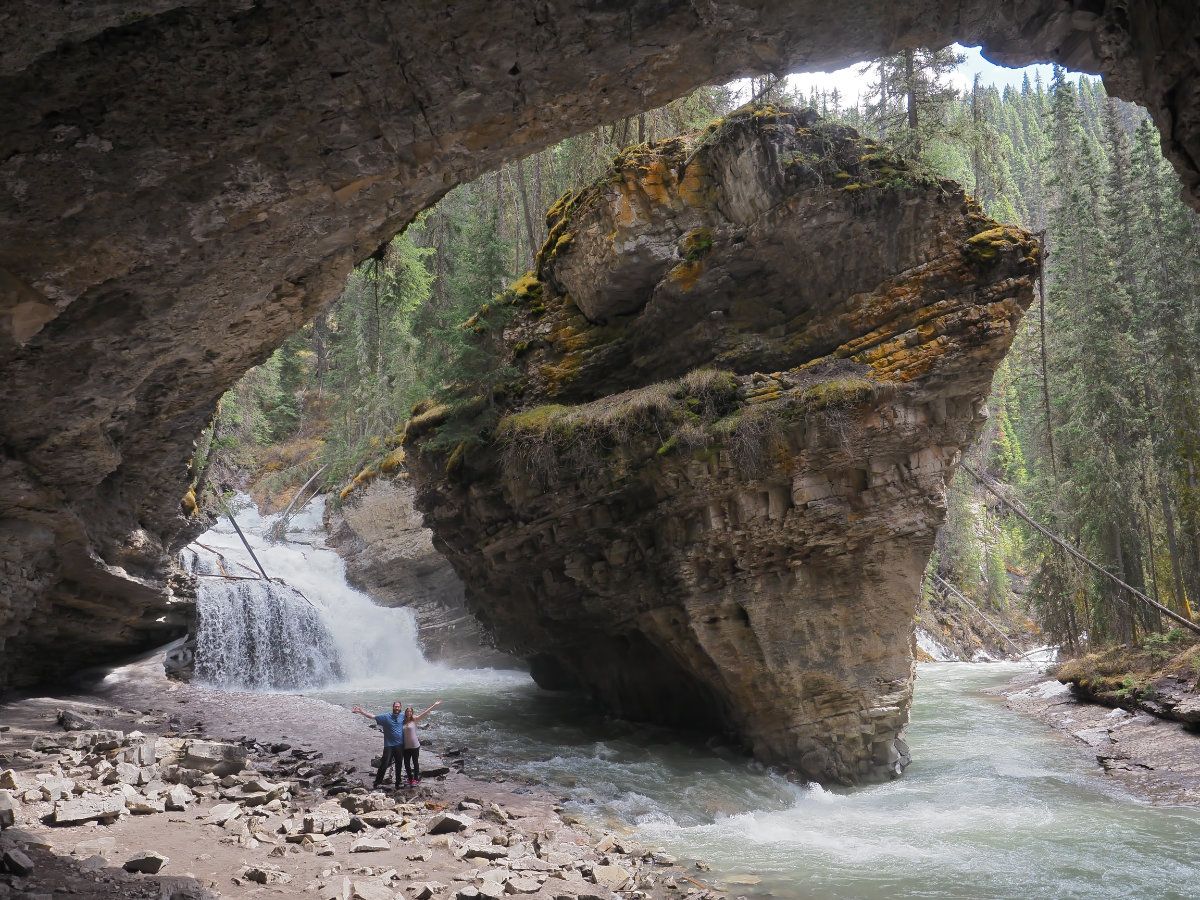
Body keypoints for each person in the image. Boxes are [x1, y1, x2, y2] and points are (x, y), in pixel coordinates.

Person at [351, 700, 405, 789]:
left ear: (400, 707)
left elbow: (414, 718)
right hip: (389, 745)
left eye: (398, 706)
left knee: (399, 764)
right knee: (384, 763)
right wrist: (361, 711)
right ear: (393, 707)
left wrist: (432, 707)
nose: (397, 708)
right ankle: (377, 782)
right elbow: (372, 716)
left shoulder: (403, 716)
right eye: (395, 706)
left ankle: (398, 783)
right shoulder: (386, 717)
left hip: (400, 745)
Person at [401, 700, 442, 785]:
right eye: (407, 711)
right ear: (405, 713)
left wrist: (434, 705)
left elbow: (425, 713)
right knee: (406, 764)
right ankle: (410, 779)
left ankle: (416, 779)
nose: (409, 713)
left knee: (415, 762)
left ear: (412, 713)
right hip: (405, 746)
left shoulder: (415, 719)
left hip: (415, 746)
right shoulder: (402, 721)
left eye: (410, 711)